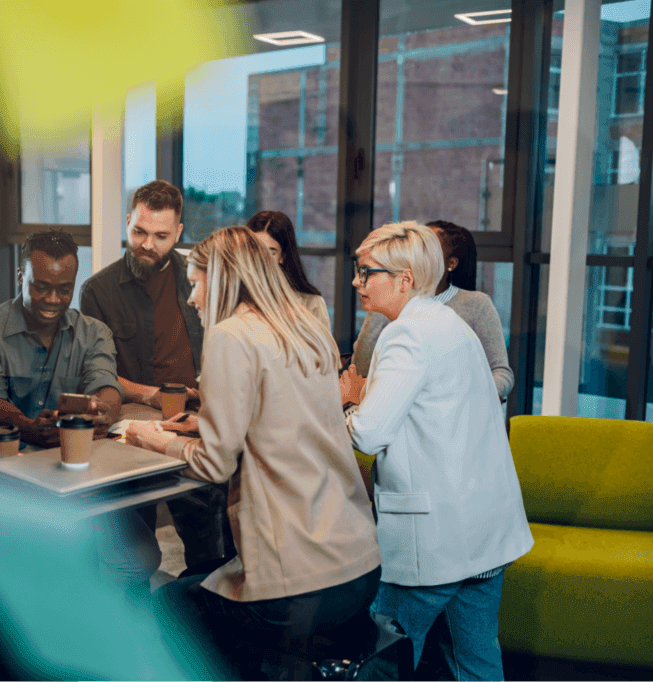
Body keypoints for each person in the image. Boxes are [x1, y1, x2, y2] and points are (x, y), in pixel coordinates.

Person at [126, 226, 382, 676]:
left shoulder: (231, 335)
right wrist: (207, 424)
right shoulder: (307, 327)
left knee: (168, 603)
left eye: (196, 282)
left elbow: (213, 464)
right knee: (199, 587)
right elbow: (287, 419)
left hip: (299, 586)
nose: (192, 298)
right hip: (360, 568)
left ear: (222, 278)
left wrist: (156, 438)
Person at [0, 229, 160, 623]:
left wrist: (98, 411)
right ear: (21, 277)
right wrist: (29, 427)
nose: (53, 300)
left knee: (139, 556)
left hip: (68, 482)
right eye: (41, 287)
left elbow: (107, 389)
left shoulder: (93, 333)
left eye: (63, 289)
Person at [340, 221, 533, 681]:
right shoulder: (445, 321)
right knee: (477, 660)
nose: (356, 281)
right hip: (485, 533)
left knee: (380, 656)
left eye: (366, 271)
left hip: (437, 539)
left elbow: (368, 434)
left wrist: (348, 400)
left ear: (404, 279)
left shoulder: (407, 333)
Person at [80, 179, 234, 576]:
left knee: (208, 539)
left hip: (193, 420)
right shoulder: (98, 290)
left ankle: (202, 614)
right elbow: (98, 370)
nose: (148, 244)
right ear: (128, 221)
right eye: (139, 232)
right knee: (134, 549)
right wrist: (149, 395)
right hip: (132, 425)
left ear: (179, 233)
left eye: (161, 236)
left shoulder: (199, 278)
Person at [350, 219, 513, 401]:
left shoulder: (472, 307)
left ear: (450, 263)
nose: (416, 254)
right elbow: (361, 367)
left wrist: (473, 397)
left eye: (426, 248)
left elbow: (500, 372)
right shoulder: (387, 299)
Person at [246, 210, 331, 330]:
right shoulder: (234, 298)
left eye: (270, 253)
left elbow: (324, 348)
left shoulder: (311, 303)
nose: (261, 261)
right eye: (255, 251)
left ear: (283, 256)